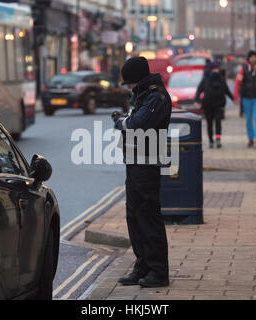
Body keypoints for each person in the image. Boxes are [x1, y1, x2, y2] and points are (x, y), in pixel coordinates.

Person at [111, 56, 171, 288]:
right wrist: (125, 119)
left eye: (129, 83)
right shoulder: (144, 94)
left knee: (148, 217)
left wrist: (121, 122)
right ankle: (142, 266)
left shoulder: (156, 96)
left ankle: (158, 271)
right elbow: (135, 120)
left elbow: (138, 124)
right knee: (134, 216)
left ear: (138, 79)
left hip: (147, 165)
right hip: (135, 163)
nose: (128, 87)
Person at [195, 62, 233, 149]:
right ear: (211, 69)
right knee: (209, 124)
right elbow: (199, 89)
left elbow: (226, 90)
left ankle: (218, 139)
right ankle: (211, 141)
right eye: (214, 68)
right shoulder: (206, 79)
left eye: (217, 68)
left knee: (218, 123)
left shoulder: (220, 78)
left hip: (218, 105)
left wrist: (233, 98)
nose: (216, 70)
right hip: (208, 105)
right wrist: (196, 100)